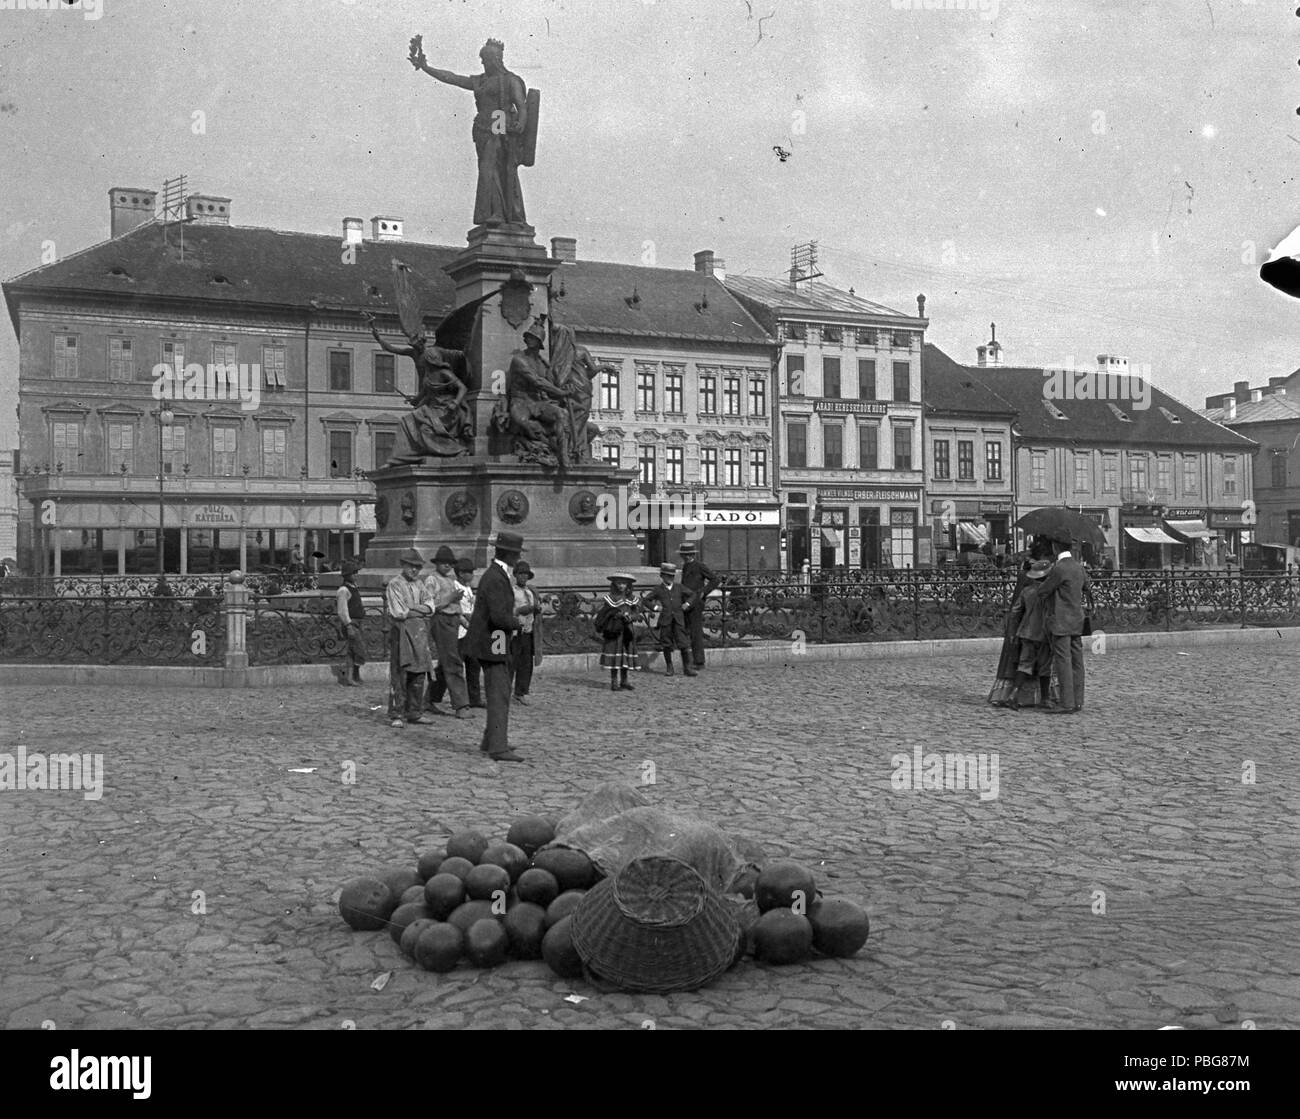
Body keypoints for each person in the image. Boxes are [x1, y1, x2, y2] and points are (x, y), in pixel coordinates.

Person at [409, 37, 532, 228]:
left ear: (496, 59)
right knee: (488, 170)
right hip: (482, 129)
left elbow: (522, 107)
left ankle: (500, 213)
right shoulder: (481, 80)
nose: (482, 62)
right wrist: (426, 67)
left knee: (492, 168)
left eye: (485, 58)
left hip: (499, 125)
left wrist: (520, 124)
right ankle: (494, 212)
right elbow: (453, 78)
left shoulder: (510, 80)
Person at [466, 531, 525, 762]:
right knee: (499, 692)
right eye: (517, 554)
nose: (518, 557)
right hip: (492, 640)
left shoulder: (497, 574)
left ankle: (491, 739)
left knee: (499, 689)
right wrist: (517, 623)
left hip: (495, 639)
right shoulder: (496, 577)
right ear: (510, 554)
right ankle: (497, 747)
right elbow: (500, 617)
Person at [1035, 535, 1092, 715]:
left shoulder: (1059, 568)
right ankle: (1078, 701)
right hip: (1077, 621)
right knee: (1077, 661)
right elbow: (1087, 587)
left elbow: (1043, 591)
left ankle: (1066, 703)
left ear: (1054, 547)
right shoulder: (1078, 567)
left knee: (1063, 661)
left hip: (1060, 621)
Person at [385, 548, 436, 729]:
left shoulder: (420, 585)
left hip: (420, 633)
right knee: (401, 672)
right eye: (411, 566)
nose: (414, 570)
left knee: (419, 672)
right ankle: (397, 712)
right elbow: (399, 612)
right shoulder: (395, 584)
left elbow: (431, 606)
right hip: (402, 633)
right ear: (403, 565)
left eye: (417, 567)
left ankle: (414, 711)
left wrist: (413, 610)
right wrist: (418, 610)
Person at [994, 560, 1054, 710]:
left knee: (1024, 664)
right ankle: (1045, 698)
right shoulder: (1050, 592)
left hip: (1026, 633)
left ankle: (1013, 695)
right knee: (1045, 666)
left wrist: (1013, 632)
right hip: (1045, 634)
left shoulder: (1027, 591)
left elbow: (1015, 612)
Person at [424, 545, 471, 719]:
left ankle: (430, 699)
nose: (447, 566)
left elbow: (457, 607)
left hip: (453, 620)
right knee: (453, 660)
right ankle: (461, 704)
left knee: (445, 662)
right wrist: (450, 598)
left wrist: (465, 622)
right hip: (441, 620)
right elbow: (430, 605)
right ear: (437, 564)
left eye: (450, 563)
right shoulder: (432, 580)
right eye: (444, 563)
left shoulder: (451, 581)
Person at [432, 556, 483, 709]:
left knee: (473, 665)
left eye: (472, 572)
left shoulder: (467, 588)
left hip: (468, 631)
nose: (471, 575)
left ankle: (474, 698)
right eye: (468, 572)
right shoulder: (452, 585)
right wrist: (467, 621)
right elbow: (454, 609)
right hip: (456, 632)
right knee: (450, 666)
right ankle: (434, 696)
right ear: (460, 573)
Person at [641, 562, 697, 677]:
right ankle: (669, 667)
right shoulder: (658, 589)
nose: (670, 578)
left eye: (672, 576)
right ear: (662, 576)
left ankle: (687, 668)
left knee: (683, 644)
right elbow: (646, 600)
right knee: (667, 644)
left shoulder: (679, 587)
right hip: (666, 621)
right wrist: (656, 607)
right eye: (667, 576)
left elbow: (693, 595)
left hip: (678, 620)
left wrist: (687, 603)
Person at [595, 574, 644, 691]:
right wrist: (617, 614)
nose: (621, 586)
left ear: (628, 585)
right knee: (615, 653)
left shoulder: (631, 598)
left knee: (625, 654)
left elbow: (637, 613)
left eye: (624, 583)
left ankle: (624, 680)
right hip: (615, 630)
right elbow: (605, 613)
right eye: (619, 583)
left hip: (627, 630)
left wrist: (632, 617)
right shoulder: (610, 598)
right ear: (614, 584)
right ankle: (614, 681)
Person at [677, 541, 719, 670]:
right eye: (684, 555)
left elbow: (715, 580)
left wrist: (703, 592)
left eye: (689, 554)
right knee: (683, 628)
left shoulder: (699, 566)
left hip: (695, 602)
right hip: (686, 601)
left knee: (695, 632)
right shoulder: (685, 567)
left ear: (692, 554)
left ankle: (699, 661)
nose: (687, 557)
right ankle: (689, 659)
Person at [510, 560, 542, 703]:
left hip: (528, 631)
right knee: (511, 663)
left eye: (526, 575)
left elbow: (536, 608)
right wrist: (519, 611)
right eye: (521, 574)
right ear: (515, 575)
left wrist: (538, 608)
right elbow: (508, 610)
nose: (523, 577)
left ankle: (521, 691)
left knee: (526, 664)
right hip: (515, 632)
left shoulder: (530, 592)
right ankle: (504, 690)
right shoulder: (511, 591)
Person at [335, 561, 366, 687]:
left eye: (356, 573)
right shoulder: (343, 590)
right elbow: (342, 610)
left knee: (353, 650)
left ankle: (353, 676)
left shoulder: (354, 587)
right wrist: (348, 625)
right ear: (346, 575)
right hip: (351, 623)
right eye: (353, 573)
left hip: (358, 622)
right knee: (358, 650)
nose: (355, 575)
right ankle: (351, 676)